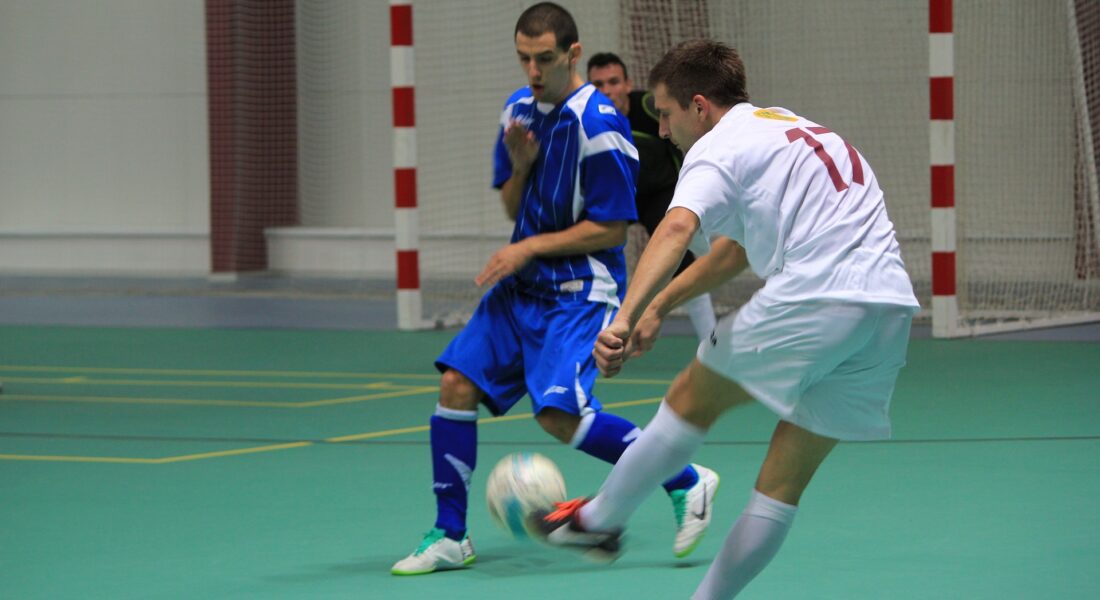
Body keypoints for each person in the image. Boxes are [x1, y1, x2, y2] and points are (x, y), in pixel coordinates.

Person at [531, 39, 920, 599]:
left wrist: (622, 318)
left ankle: (596, 521)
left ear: (699, 106)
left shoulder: (717, 146)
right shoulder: (786, 128)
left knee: (691, 398)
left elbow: (675, 228)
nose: (662, 129)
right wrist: (658, 307)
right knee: (780, 484)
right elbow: (731, 255)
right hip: (888, 314)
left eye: (666, 113)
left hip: (818, 294)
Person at [390, 4, 719, 576]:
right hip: (522, 289)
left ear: (572, 54)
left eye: (544, 58)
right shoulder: (517, 112)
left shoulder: (600, 124)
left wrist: (526, 249)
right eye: (524, 58)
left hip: (579, 290)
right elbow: (512, 207)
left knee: (559, 415)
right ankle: (450, 535)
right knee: (455, 385)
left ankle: (686, 478)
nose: (533, 71)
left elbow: (611, 228)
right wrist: (520, 167)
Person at [587, 52, 717, 342]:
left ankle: (711, 341)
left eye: (613, 82)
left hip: (661, 193)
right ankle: (597, 336)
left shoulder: (650, 107)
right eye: (598, 85)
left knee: (689, 261)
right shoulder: (585, 120)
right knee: (590, 259)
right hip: (617, 199)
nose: (607, 90)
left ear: (627, 84)